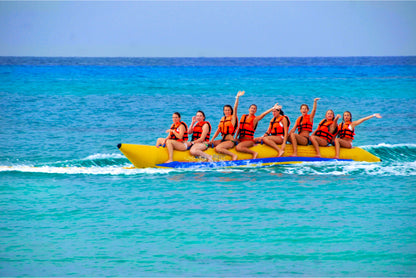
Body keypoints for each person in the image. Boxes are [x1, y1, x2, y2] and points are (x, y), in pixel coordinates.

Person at [209, 91, 245, 161]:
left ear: (231, 111)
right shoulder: (223, 119)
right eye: (225, 110)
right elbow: (218, 130)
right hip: (223, 140)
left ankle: (233, 155)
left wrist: (237, 97)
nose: (227, 111)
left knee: (218, 148)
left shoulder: (232, 118)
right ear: (223, 111)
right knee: (210, 144)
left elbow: (235, 108)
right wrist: (212, 139)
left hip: (230, 141)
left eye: (228, 110)